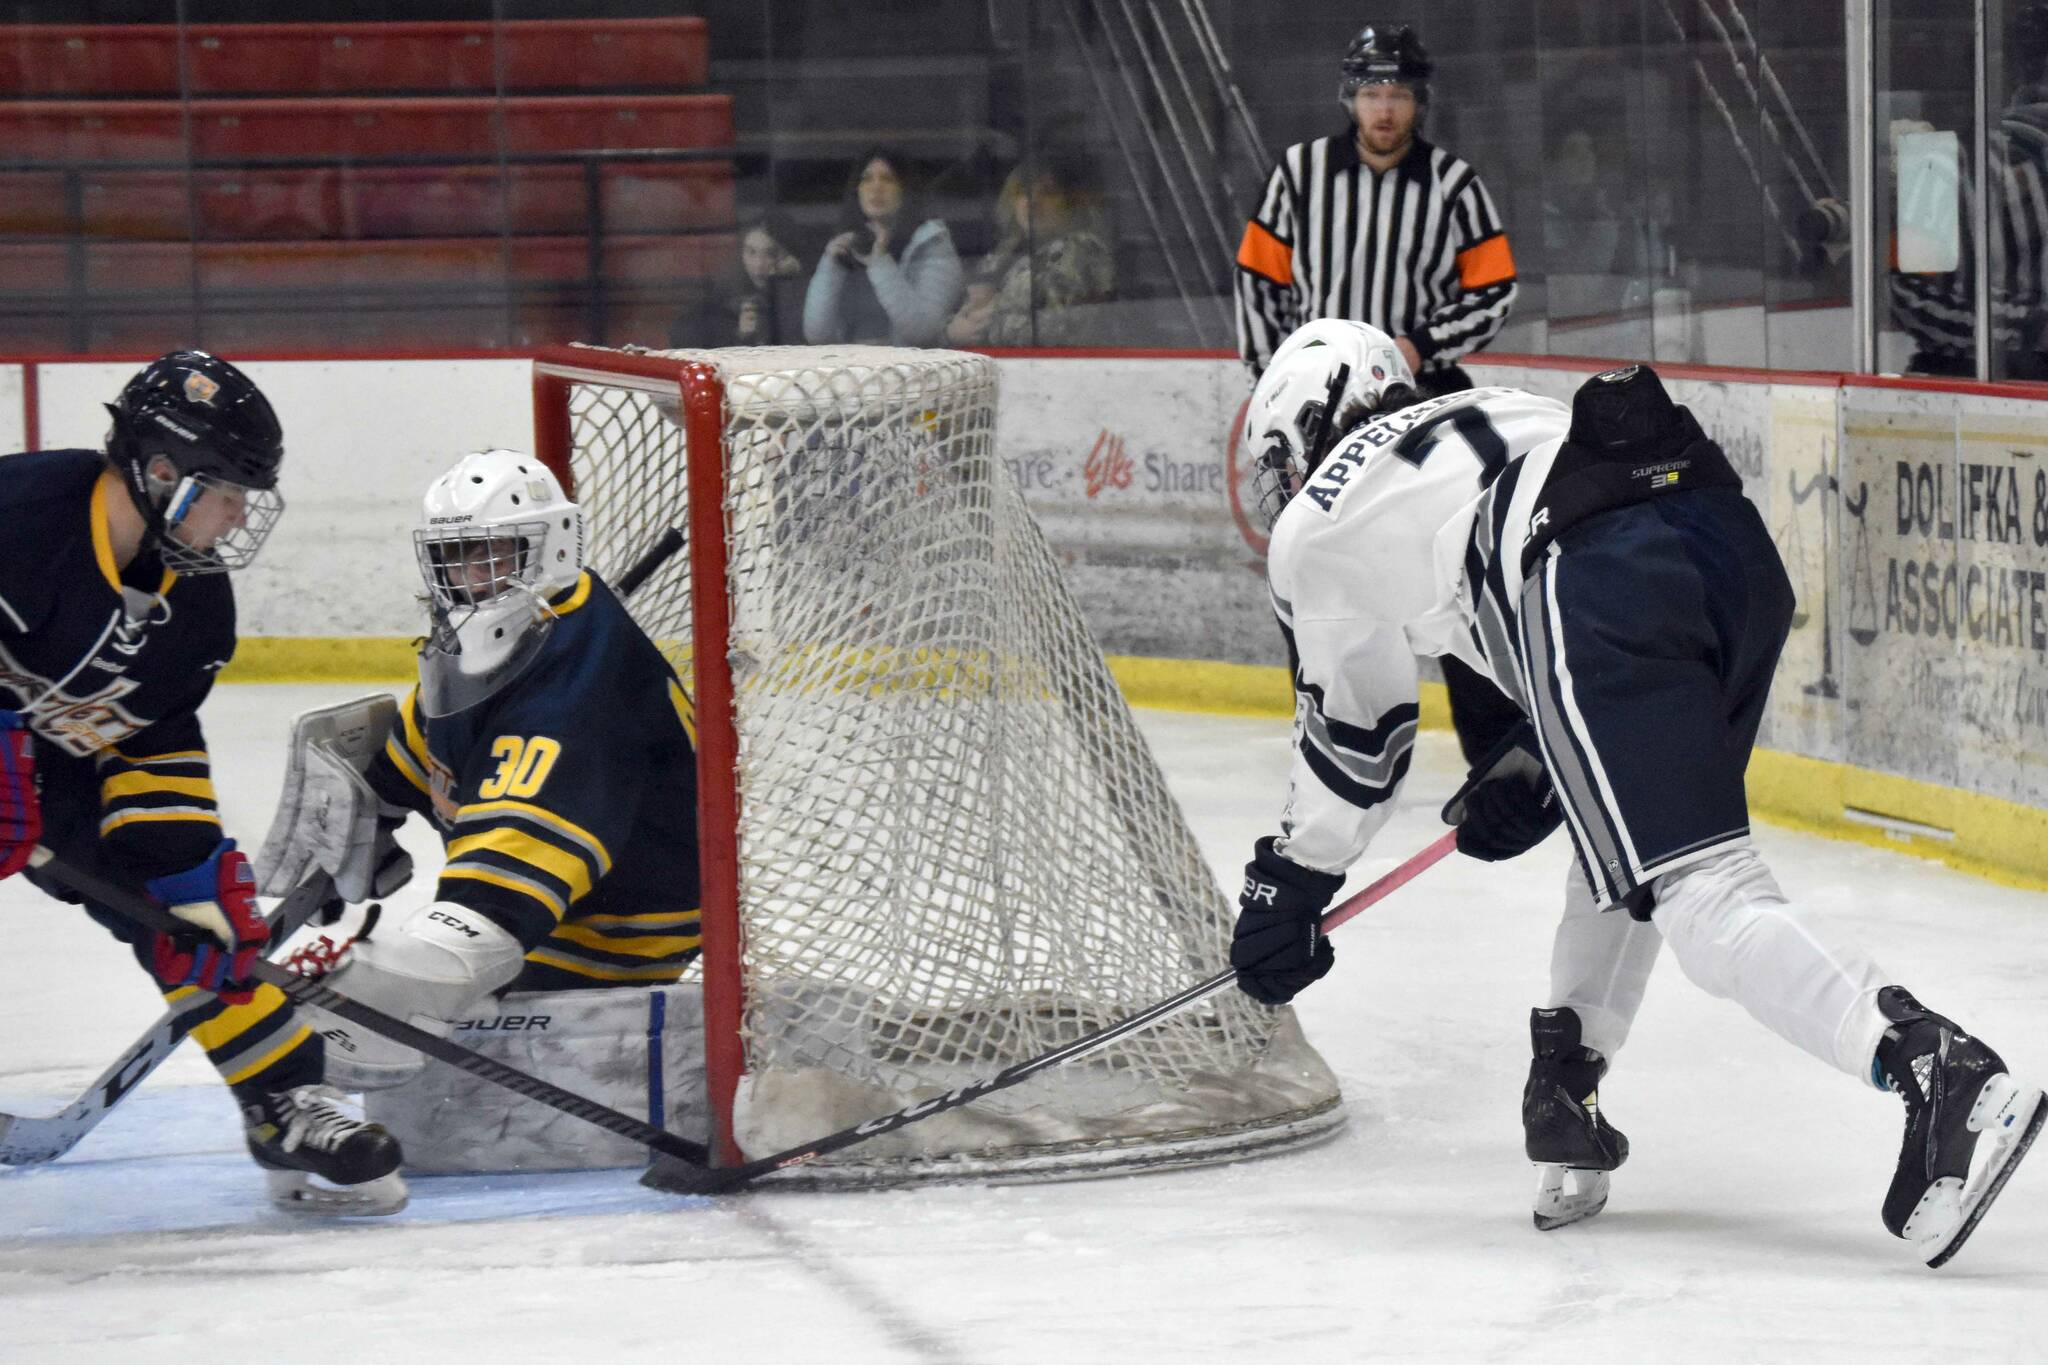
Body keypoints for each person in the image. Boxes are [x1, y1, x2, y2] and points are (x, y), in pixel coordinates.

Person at [1226, 319, 2043, 1267]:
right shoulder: (1490, 408)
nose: (1281, 486)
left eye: (1279, 456)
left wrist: (1289, 885)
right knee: (1634, 851)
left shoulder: (1316, 522)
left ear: (1308, 424)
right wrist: (1542, 763)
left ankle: (1925, 1057)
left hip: (1592, 570)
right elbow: (1528, 575)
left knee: (1706, 894)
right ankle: (1566, 1077)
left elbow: (1358, 740)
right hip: (1722, 541)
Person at [0, 350, 406, 1214]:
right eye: (225, 491)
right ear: (158, 469)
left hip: (56, 755)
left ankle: (282, 1097)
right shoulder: (21, 516)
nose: (236, 516)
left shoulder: (196, 605)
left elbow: (152, 731)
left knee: (189, 922)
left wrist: (184, 864)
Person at [299, 449, 702, 1092]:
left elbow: (486, 916)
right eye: (454, 557)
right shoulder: (524, 628)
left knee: (410, 1014)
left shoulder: (578, 699)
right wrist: (372, 803)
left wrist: (377, 973)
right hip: (573, 901)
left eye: (492, 554)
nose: (469, 578)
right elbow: (442, 736)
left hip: (618, 934)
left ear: (554, 549)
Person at [1235, 23, 1523, 769]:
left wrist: (1418, 346)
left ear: (1418, 100)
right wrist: (1279, 381)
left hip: (1423, 405)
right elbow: (1257, 280)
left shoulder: (1454, 185)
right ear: (1350, 97)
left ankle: (1493, 757)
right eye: (1372, 92)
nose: (1385, 108)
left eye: (1397, 93)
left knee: (1458, 562)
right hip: (1320, 417)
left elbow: (1496, 288)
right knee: (1314, 563)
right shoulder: (1297, 176)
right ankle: (1331, 729)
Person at [945, 155, 1116, 348]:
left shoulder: (1082, 250)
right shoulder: (1005, 253)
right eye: (1023, 192)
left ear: (1072, 203)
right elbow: (960, 312)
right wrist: (952, 330)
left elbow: (1058, 331)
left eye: (1048, 192)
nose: (1032, 201)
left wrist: (983, 327)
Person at [804, 147, 965, 347]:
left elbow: (924, 333)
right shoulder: (848, 243)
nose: (876, 187)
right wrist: (830, 266)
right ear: (857, 190)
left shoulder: (932, 243)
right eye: (867, 179)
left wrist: (879, 262)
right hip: (852, 370)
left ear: (905, 190)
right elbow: (817, 335)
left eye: (887, 179)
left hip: (911, 371)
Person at [681, 210, 808, 349]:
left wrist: (788, 282)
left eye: (771, 254)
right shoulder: (723, 295)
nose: (759, 264)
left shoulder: (802, 292)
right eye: (751, 252)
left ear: (788, 256)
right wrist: (740, 335)